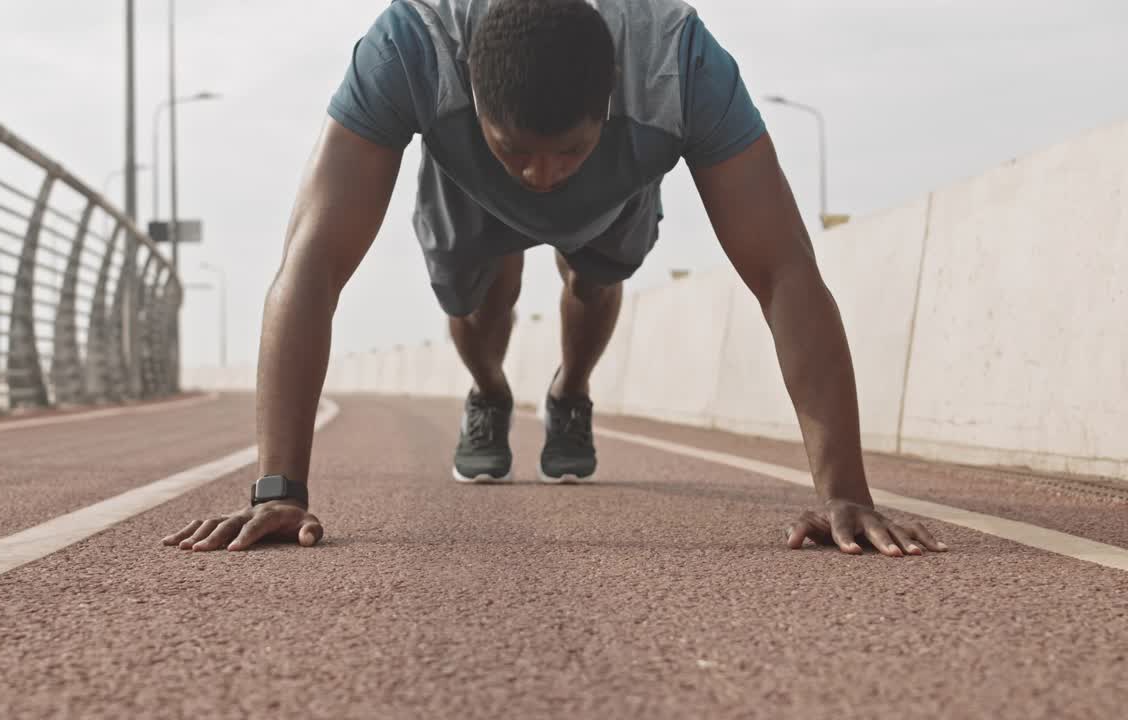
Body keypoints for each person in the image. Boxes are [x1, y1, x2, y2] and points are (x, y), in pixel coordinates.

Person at [162, 0, 948, 558]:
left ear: (609, 97)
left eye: (565, 151)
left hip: (617, 186)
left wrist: (844, 489)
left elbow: (783, 271)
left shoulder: (681, 62)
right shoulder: (411, 45)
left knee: (593, 277)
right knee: (481, 299)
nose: (542, 178)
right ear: (471, 93)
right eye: (522, 154)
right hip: (466, 189)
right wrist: (277, 488)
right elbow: (313, 260)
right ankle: (493, 394)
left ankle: (570, 394)